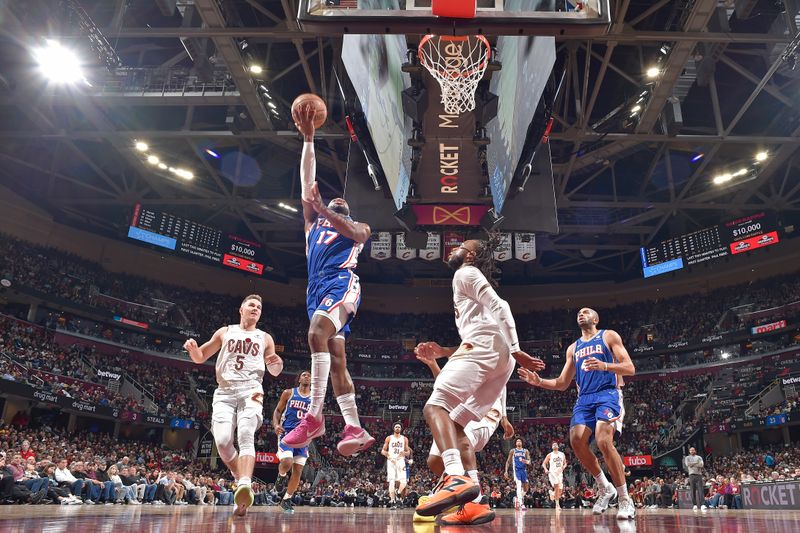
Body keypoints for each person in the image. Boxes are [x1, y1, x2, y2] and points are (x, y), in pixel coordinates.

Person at [413, 236, 545, 518]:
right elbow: (483, 324)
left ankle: (454, 477)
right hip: (498, 359)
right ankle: (474, 502)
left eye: (461, 246)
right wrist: (446, 350)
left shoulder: (466, 272)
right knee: (457, 423)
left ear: (470, 256)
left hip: (489, 349)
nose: (455, 248)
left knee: (435, 407)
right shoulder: (468, 279)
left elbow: (501, 307)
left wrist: (517, 348)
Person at [282, 104, 375, 456]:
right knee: (336, 358)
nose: (338, 200)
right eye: (331, 202)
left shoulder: (356, 228)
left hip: (341, 283)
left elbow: (358, 233)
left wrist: (325, 209)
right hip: (315, 289)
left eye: (341, 203)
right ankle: (353, 426)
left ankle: (315, 416)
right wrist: (308, 138)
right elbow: (309, 181)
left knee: (315, 335)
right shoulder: (312, 224)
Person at [518, 307, 636, 520]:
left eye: (586, 311)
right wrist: (539, 381)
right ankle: (604, 487)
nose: (581, 314)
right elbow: (562, 383)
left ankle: (625, 498)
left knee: (603, 440)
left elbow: (629, 368)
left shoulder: (608, 336)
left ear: (595, 318)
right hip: (585, 399)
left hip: (607, 393)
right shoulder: (573, 348)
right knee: (576, 440)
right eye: (579, 313)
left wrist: (604, 365)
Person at [184, 294, 284, 517]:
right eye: (251, 305)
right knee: (222, 442)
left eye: (259, 306)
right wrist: (192, 349)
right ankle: (240, 478)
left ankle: (245, 483)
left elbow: (274, 370)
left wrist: (277, 364)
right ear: (241, 309)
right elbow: (201, 357)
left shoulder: (265, 337)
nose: (255, 308)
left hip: (252, 388)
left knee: (247, 432)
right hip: (225, 391)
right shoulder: (225, 331)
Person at [415, 350, 514, 524]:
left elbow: (503, 384)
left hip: (485, 410)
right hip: (459, 409)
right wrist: (433, 364)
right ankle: (464, 499)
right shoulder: (461, 361)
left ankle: (475, 502)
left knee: (461, 435)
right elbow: (444, 388)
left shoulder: (488, 350)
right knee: (434, 460)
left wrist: (504, 417)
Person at [272, 370, 312, 514]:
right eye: (304, 375)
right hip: (287, 433)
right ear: (299, 379)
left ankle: (286, 500)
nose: (307, 376)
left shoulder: (315, 399)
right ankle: (281, 476)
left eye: (309, 375)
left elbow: (316, 420)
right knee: (287, 462)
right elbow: (277, 411)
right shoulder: (288, 393)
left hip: (303, 438)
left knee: (298, 472)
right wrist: (276, 425)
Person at [381, 423, 410, 510]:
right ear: (393, 428)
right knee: (392, 481)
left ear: (401, 429)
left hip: (401, 460)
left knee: (403, 481)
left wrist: (404, 453)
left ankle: (398, 494)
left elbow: (408, 451)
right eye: (396, 427)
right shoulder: (389, 438)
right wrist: (388, 456)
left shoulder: (404, 438)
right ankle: (393, 501)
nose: (397, 428)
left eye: (399, 427)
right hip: (391, 461)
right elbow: (383, 450)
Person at [505, 438, 530, 510]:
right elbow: (508, 461)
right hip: (516, 471)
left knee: (526, 488)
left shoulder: (525, 451)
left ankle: (517, 499)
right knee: (519, 485)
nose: (518, 442)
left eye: (520, 441)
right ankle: (521, 504)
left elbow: (529, 461)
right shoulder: (513, 451)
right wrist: (506, 471)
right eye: (517, 441)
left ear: (522, 443)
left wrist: (525, 461)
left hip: (523, 470)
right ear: (515, 443)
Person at [543, 442, 567, 510]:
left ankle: (552, 494)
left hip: (560, 473)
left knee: (560, 492)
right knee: (556, 486)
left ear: (558, 446)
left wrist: (562, 468)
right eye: (553, 445)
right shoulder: (550, 455)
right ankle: (557, 505)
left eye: (556, 444)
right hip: (552, 473)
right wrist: (545, 469)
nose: (554, 445)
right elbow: (544, 463)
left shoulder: (562, 454)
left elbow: (565, 464)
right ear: (552, 447)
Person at [684, 446, 705, 511]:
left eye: (693, 450)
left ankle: (702, 505)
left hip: (699, 474)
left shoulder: (699, 457)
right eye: (691, 450)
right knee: (692, 490)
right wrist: (696, 463)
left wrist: (692, 464)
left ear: (695, 451)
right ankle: (694, 505)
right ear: (689, 451)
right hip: (691, 475)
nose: (692, 451)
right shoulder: (687, 458)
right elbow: (688, 464)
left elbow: (701, 465)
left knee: (700, 490)